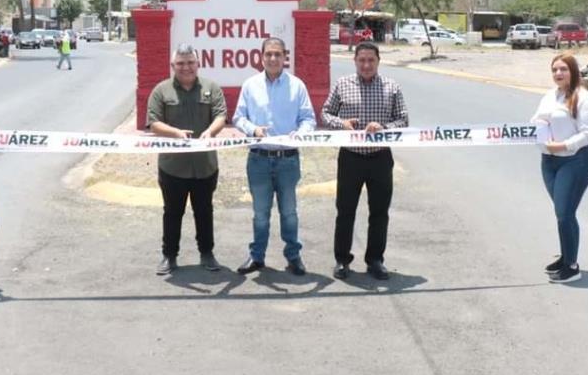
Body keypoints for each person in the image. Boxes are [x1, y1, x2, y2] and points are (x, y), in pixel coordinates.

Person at [321, 42, 409, 281]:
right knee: (345, 211)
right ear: (355, 61)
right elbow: (325, 113)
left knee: (379, 212)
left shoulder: (391, 87)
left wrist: (384, 127)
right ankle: (342, 260)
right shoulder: (343, 85)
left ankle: (375, 260)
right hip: (351, 157)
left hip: (380, 157)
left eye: (371, 60)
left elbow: (403, 120)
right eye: (362, 60)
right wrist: (343, 123)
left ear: (378, 61)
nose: (366, 65)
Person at [233, 37, 316, 276]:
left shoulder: (297, 86)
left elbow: (308, 119)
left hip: (288, 159)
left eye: (277, 54)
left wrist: (300, 134)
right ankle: (257, 256)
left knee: (289, 212)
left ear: (284, 57)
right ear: (261, 57)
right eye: (268, 54)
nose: (272, 58)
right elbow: (239, 117)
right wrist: (253, 130)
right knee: (260, 213)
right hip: (258, 159)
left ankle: (293, 256)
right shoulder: (250, 85)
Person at [146, 45, 228, 275]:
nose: (186, 67)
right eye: (181, 63)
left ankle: (207, 254)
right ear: (173, 66)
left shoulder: (211, 88)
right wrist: (175, 133)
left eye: (190, 62)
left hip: (205, 166)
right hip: (173, 166)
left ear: (198, 63)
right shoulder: (161, 91)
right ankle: (169, 256)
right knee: (172, 212)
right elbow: (153, 122)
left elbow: (221, 115)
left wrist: (211, 132)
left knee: (204, 211)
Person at [530, 54, 588, 284]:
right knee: (561, 213)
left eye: (563, 70)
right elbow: (537, 119)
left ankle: (571, 266)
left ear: (573, 72)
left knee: (565, 213)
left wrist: (562, 145)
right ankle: (565, 256)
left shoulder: (583, 98)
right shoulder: (551, 95)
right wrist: (540, 128)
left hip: (574, 160)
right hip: (549, 161)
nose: (558, 74)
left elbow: (587, 134)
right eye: (555, 70)